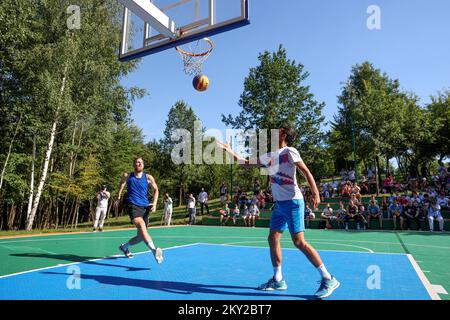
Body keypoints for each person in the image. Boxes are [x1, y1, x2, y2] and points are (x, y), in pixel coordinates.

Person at [217, 126, 340, 299]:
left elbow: (306, 171)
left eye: (278, 131)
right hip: (280, 205)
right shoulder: (269, 155)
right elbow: (245, 163)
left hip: (293, 202)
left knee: (299, 242)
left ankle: (328, 278)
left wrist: (316, 192)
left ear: (283, 135)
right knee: (273, 237)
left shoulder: (290, 151)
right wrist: (229, 150)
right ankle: (278, 279)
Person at [115, 157, 163, 263]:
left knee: (141, 236)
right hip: (133, 205)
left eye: (141, 162)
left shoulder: (148, 177)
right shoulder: (128, 176)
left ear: (143, 165)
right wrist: (118, 195)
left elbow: (156, 190)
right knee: (141, 225)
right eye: (137, 162)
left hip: (145, 207)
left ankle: (124, 247)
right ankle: (155, 251)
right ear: (134, 165)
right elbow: (122, 183)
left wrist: (154, 203)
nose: (139, 163)